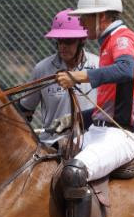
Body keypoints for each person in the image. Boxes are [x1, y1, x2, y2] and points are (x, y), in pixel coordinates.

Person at [53, 0, 134, 217]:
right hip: (100, 129)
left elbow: (126, 70)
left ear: (102, 16)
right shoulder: (107, 42)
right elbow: (105, 105)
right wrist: (73, 118)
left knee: (74, 172)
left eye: (87, 18)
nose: (82, 25)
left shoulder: (122, 39)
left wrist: (82, 75)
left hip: (122, 135)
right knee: (51, 156)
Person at [19, 9, 98, 147]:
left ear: (82, 40)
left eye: (68, 41)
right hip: (52, 145)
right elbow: (25, 110)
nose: (62, 46)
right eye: (59, 41)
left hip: (89, 143)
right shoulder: (42, 69)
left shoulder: (99, 66)